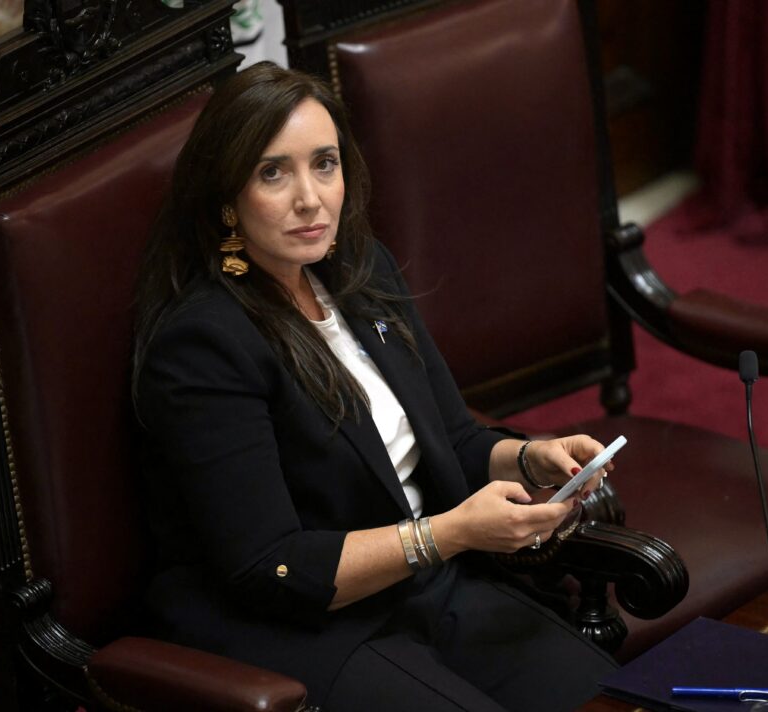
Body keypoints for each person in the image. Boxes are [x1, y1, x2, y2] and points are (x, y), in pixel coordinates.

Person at [132, 61, 618, 711]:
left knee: (606, 698)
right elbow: (270, 567)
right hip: (307, 629)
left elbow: (453, 440)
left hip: (427, 584)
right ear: (226, 198)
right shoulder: (203, 345)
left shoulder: (363, 270)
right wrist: (450, 533)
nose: (310, 198)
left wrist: (531, 458)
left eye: (324, 164)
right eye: (273, 173)